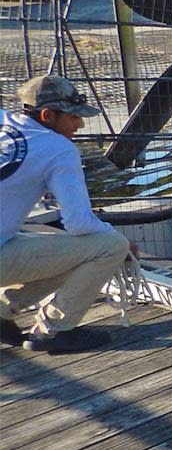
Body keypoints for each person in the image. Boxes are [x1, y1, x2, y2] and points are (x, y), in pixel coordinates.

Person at [1, 76, 134, 353]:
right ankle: (52, 332)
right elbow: (78, 223)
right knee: (109, 247)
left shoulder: (4, 120)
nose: (80, 125)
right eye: (74, 117)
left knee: (62, 245)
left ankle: (2, 313)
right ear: (48, 115)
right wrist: (122, 242)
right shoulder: (59, 149)